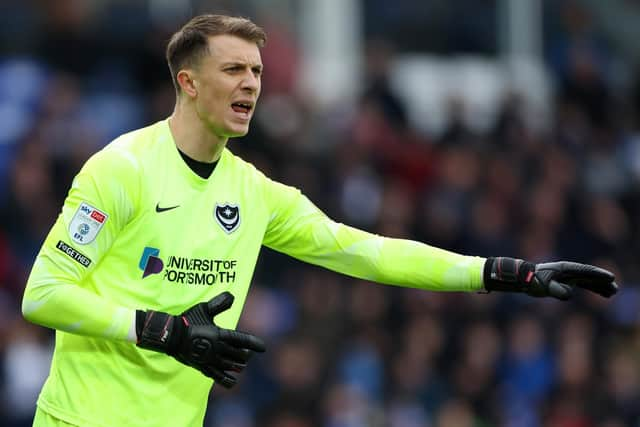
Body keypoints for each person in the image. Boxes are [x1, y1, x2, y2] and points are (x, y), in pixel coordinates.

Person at [21, 14, 618, 427]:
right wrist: (161, 330)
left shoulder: (252, 192)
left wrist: (502, 272)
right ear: (188, 82)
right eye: (233, 70)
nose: (251, 85)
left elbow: (366, 251)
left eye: (257, 72)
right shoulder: (121, 169)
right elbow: (43, 294)